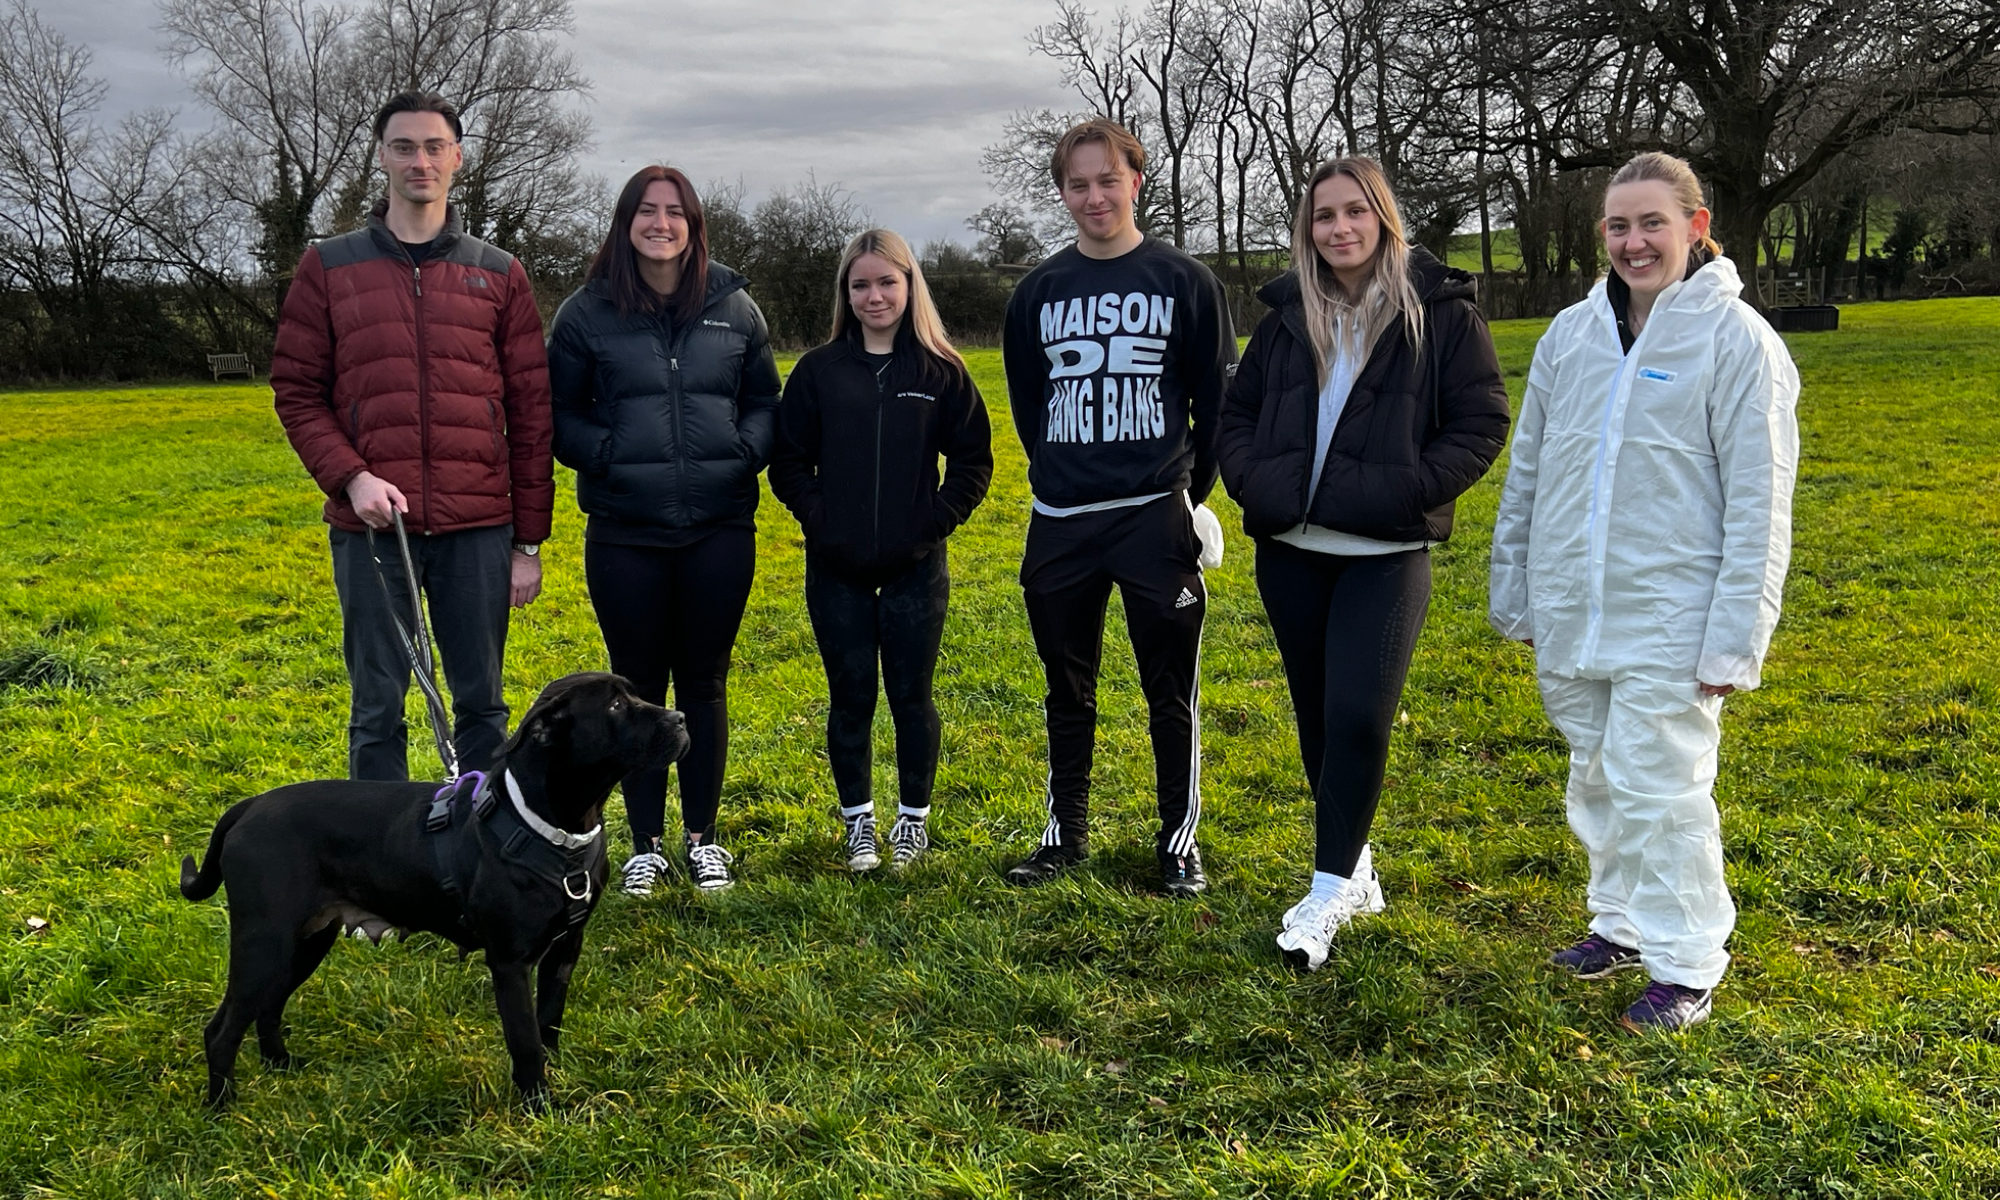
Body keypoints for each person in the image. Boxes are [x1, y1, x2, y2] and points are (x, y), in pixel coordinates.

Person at [1489, 151, 1800, 1032]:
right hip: (1574, 605)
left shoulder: (1736, 341)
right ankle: (1621, 922)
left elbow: (1760, 500)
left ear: (1696, 228)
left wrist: (1737, 636)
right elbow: (1533, 472)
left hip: (1675, 612)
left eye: (1652, 223)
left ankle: (1688, 961)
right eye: (1618, 226)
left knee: (1662, 787)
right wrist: (1516, 586)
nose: (1634, 242)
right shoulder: (1571, 335)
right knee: (1596, 773)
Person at [1216, 158, 1510, 971]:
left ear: (1383, 218)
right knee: (1317, 719)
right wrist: (1255, 482)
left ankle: (1326, 891)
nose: (1339, 229)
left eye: (1355, 212)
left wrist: (1407, 491)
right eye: (1323, 217)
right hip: (1290, 551)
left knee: (1358, 716)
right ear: (1306, 230)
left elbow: (1481, 424)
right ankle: (1355, 867)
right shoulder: (1281, 321)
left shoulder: (1442, 314)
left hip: (1385, 553)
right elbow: (1234, 418)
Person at [272, 90, 552, 783]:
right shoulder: (328, 266)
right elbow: (298, 390)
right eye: (403, 146)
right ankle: (381, 871)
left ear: (456, 158)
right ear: (382, 158)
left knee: (482, 707)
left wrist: (527, 544)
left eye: (433, 146)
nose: (419, 160)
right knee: (376, 709)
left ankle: (482, 854)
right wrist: (351, 476)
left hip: (478, 528)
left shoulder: (499, 273)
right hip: (372, 531)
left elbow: (531, 410)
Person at [999, 119, 1237, 896]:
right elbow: (1031, 410)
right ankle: (1064, 834)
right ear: (1062, 191)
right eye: (1077, 183)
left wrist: (1182, 498)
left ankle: (1178, 842)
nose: (1093, 196)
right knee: (1066, 688)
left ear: (1137, 180)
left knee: (1170, 691)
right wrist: (1067, 476)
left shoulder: (1186, 281)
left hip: (1152, 518)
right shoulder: (1037, 292)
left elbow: (1217, 407)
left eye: (1108, 179)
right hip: (1062, 522)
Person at [545, 165, 782, 895]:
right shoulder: (586, 313)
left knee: (705, 684)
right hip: (625, 531)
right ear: (625, 223)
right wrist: (610, 455)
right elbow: (560, 414)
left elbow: (765, 399)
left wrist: (741, 454)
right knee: (637, 687)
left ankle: (703, 839)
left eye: (674, 212)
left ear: (694, 224)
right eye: (646, 211)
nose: (661, 223)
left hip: (718, 527)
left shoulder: (734, 307)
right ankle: (644, 843)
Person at [769, 230, 994, 872]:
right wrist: (821, 521)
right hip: (835, 567)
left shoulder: (941, 369)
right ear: (846, 291)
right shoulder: (819, 371)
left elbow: (975, 460)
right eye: (860, 284)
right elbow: (787, 462)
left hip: (915, 568)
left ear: (909, 285)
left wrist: (934, 523)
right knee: (851, 697)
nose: (874, 295)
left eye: (887, 282)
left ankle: (913, 822)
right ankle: (859, 824)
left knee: (911, 696)